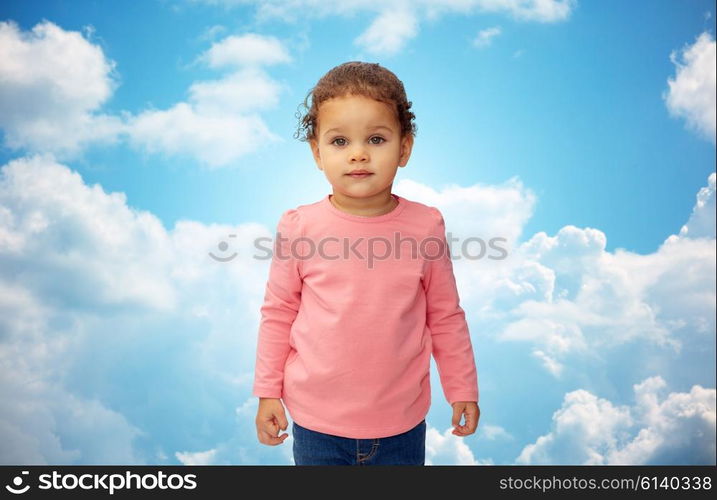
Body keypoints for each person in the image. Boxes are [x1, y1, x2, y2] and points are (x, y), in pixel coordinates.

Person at [253, 61, 480, 465]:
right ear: (317, 152)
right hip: (316, 425)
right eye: (340, 142)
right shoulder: (299, 226)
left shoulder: (426, 225)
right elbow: (279, 313)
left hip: (402, 426)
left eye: (376, 139)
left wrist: (462, 389)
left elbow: (445, 314)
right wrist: (267, 391)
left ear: (404, 148)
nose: (358, 154)